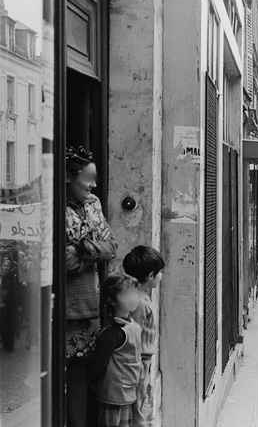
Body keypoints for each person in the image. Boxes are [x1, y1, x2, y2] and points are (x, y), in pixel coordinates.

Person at [65, 146, 118, 426]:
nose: (94, 185)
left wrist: (82, 250)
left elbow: (112, 247)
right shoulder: (53, 207)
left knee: (81, 376)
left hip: (88, 309)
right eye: (88, 179)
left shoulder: (93, 203)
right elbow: (60, 263)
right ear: (67, 178)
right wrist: (89, 253)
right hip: (62, 310)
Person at [90, 273, 142, 427]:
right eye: (126, 294)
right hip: (112, 394)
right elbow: (99, 363)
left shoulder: (131, 325)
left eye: (133, 293)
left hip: (127, 392)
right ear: (112, 301)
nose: (133, 298)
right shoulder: (112, 333)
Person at [123, 246, 165, 427]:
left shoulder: (140, 297)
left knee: (139, 398)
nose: (161, 276)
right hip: (138, 361)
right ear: (150, 276)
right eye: (160, 272)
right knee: (137, 403)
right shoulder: (139, 302)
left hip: (141, 360)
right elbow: (135, 336)